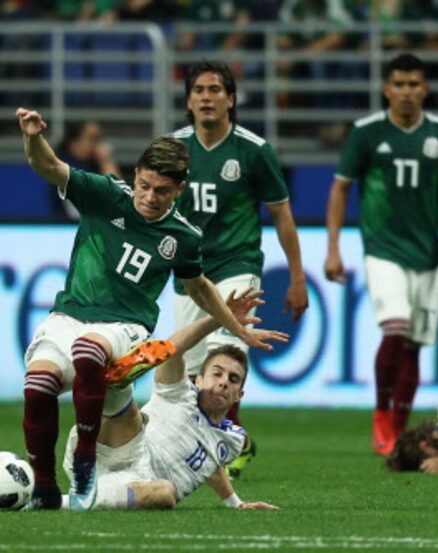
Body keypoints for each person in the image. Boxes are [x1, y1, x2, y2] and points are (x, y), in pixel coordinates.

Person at [14, 107, 283, 511]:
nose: (149, 197)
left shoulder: (184, 237)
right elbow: (47, 165)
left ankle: (85, 462)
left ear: (178, 190)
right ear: (135, 176)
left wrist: (237, 329)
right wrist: (33, 136)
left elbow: (198, 287)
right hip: (68, 316)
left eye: (161, 191)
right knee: (38, 383)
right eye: (143, 185)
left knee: (91, 351)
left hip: (125, 328)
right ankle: (46, 488)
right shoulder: (105, 194)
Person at [324, 52, 438, 457]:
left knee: (414, 345)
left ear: (425, 88)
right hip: (382, 248)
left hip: (426, 253)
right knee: (396, 328)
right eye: (399, 84)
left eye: (414, 84)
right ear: (386, 89)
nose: (407, 92)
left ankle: (400, 428)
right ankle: (381, 411)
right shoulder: (366, 132)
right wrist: (333, 248)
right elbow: (340, 189)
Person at [171, 60, 309, 478]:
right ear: (189, 101)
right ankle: (219, 445)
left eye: (216, 90)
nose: (207, 97)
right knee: (194, 375)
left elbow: (282, 215)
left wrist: (298, 277)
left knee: (226, 360)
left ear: (231, 99)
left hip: (238, 266)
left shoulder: (253, 150)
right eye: (199, 90)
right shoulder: (172, 149)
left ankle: (226, 447)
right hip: (189, 274)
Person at [60, 288, 285, 510]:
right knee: (132, 415)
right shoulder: (179, 393)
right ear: (198, 380)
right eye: (217, 373)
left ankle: (61, 500)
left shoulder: (233, 440)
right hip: (113, 448)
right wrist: (218, 319)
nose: (224, 381)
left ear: (239, 395)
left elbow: (211, 463)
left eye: (233, 379)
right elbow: (171, 351)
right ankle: (106, 376)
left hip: (139, 484)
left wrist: (236, 503)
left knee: (165, 493)